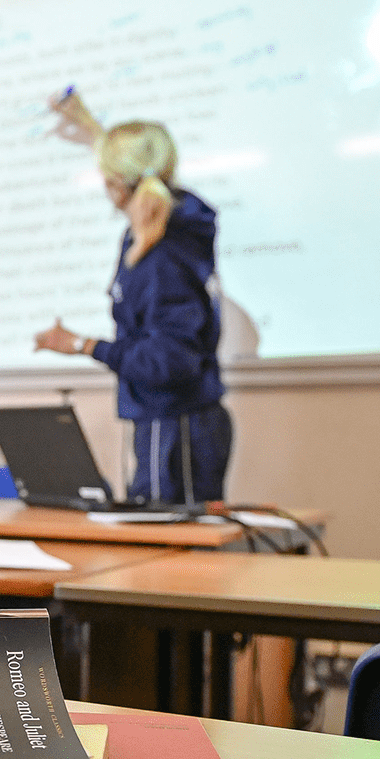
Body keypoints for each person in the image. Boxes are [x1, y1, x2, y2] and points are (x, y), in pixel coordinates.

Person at [32, 94, 232, 503]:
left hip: (175, 427)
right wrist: (89, 125)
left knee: (171, 557)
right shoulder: (171, 230)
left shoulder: (160, 256)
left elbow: (168, 361)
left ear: (116, 184)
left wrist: (82, 345)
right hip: (173, 422)